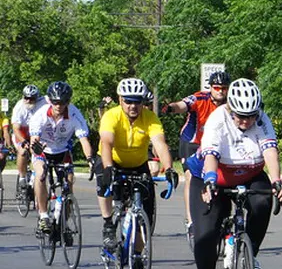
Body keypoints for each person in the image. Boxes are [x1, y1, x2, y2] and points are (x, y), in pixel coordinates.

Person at [191, 78, 282, 269]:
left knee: (263, 200)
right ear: (230, 109)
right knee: (206, 234)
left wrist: (277, 180)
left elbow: (270, 151)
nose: (246, 122)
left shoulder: (261, 119)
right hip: (214, 174)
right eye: (240, 116)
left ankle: (249, 252)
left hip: (249, 172)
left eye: (251, 116)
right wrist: (210, 180)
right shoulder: (218, 119)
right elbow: (211, 154)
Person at [95, 78, 178, 253]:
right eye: (128, 101)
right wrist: (108, 167)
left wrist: (169, 168)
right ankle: (108, 224)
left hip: (138, 164)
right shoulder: (111, 116)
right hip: (112, 159)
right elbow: (107, 143)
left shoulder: (150, 118)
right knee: (103, 181)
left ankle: (138, 255)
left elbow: (160, 144)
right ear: (120, 100)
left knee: (145, 211)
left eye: (137, 102)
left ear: (143, 102)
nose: (133, 106)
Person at [163, 70, 229, 239]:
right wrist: (171, 108)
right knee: (191, 177)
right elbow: (183, 105)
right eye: (217, 88)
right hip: (193, 143)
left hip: (215, 145)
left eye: (224, 88)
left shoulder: (231, 103)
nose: (220, 91)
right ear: (210, 88)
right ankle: (191, 221)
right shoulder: (200, 98)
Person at [27, 82, 97, 234]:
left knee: (69, 182)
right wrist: (36, 148)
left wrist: (90, 159)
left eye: (63, 102)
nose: (58, 106)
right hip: (43, 150)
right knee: (40, 174)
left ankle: (64, 223)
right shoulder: (40, 115)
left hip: (63, 151)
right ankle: (43, 215)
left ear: (68, 101)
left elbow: (84, 140)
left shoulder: (74, 114)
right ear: (50, 101)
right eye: (55, 102)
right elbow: (34, 140)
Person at [11, 85, 48, 191]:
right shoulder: (19, 107)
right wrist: (23, 142)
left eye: (31, 98)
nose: (28, 100)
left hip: (36, 133)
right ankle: (22, 177)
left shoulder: (44, 102)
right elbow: (16, 129)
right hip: (22, 133)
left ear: (37, 97)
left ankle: (36, 175)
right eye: (26, 98)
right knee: (23, 151)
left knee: (39, 152)